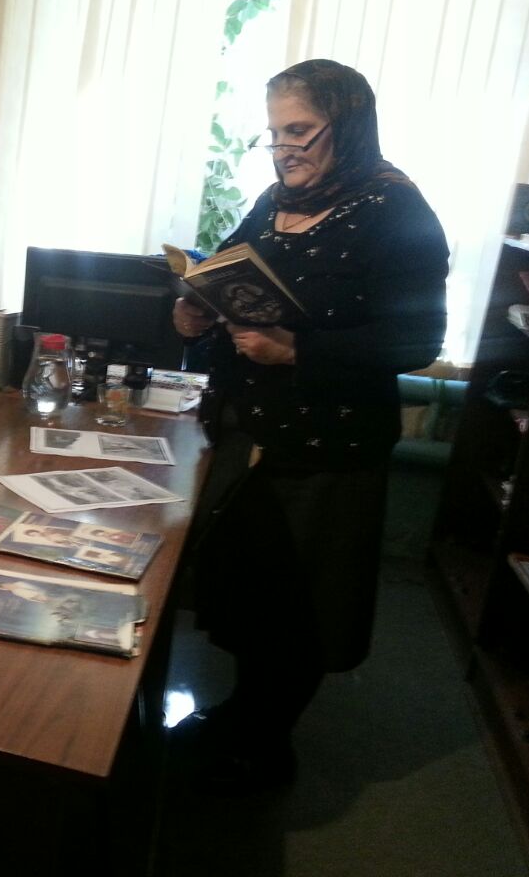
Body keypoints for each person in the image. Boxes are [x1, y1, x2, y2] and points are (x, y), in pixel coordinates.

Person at [171, 59, 449, 790]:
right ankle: (242, 713)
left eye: (299, 131)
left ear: (346, 125)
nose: (283, 149)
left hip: (329, 448)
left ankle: (267, 747)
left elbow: (418, 339)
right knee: (252, 593)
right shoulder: (275, 200)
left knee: (298, 608)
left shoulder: (397, 210)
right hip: (253, 434)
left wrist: (298, 351)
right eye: (273, 134)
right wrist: (196, 309)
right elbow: (227, 272)